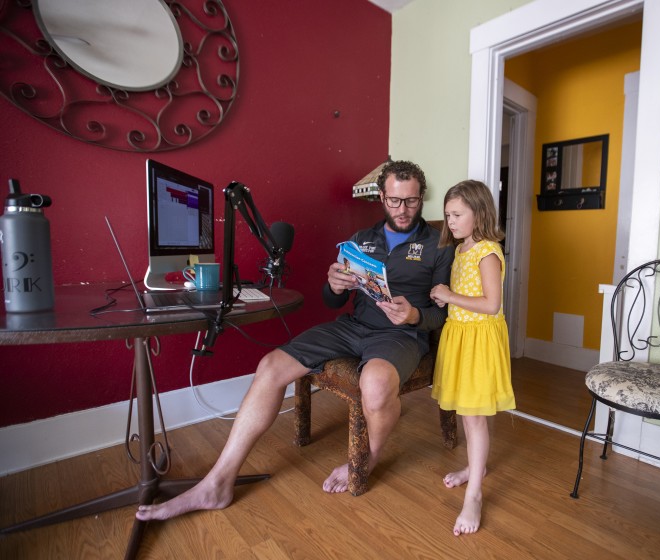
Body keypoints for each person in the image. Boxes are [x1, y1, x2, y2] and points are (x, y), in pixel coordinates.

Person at [136, 160, 454, 521]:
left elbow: (442, 315)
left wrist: (413, 315)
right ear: (381, 197)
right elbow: (332, 301)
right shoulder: (360, 240)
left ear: (421, 197)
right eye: (395, 201)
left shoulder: (439, 245)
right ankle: (217, 483)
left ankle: (368, 458)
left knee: (377, 384)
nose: (403, 210)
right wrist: (333, 285)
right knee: (270, 365)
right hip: (354, 326)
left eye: (411, 202)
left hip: (402, 333)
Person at [429, 180, 516, 536]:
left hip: (479, 343)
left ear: (479, 213)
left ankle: (475, 495)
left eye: (457, 214)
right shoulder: (463, 248)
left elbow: (491, 304)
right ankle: (473, 467)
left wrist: (450, 295)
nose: (449, 220)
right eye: (447, 214)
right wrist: (446, 298)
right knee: (466, 416)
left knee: (475, 419)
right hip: (460, 338)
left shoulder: (487, 251)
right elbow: (465, 295)